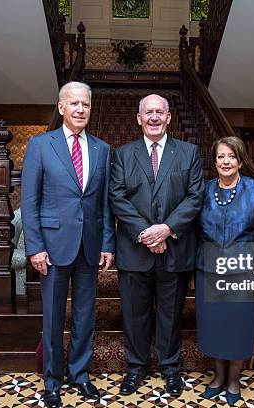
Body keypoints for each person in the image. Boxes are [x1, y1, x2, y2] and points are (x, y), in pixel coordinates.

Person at [21, 81, 115, 408]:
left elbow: (104, 203)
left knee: (86, 316)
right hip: (52, 246)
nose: (80, 109)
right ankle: (52, 381)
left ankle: (80, 375)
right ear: (61, 107)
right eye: (73, 103)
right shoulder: (40, 145)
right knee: (53, 318)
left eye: (85, 104)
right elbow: (30, 202)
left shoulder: (103, 150)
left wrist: (107, 243)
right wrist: (35, 247)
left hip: (89, 246)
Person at [109, 94, 204, 397]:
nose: (153, 117)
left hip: (174, 250)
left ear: (168, 117)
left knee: (170, 314)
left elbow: (195, 197)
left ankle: (170, 367)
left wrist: (166, 229)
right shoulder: (122, 154)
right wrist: (145, 233)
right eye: (148, 112)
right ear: (138, 118)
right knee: (134, 314)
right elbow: (117, 197)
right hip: (134, 251)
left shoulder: (188, 153)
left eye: (159, 112)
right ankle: (135, 367)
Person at [194, 136, 254, 406]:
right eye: (220, 157)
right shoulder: (204, 190)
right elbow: (194, 232)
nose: (225, 162)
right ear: (214, 161)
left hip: (245, 271)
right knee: (214, 327)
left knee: (240, 328)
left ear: (241, 160)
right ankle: (218, 377)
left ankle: (233, 379)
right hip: (209, 270)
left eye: (231, 156)